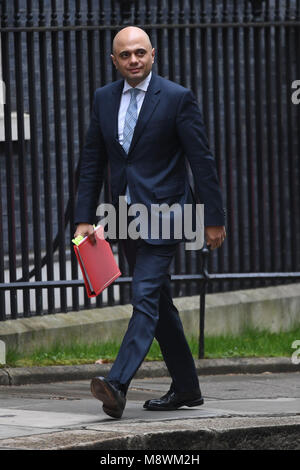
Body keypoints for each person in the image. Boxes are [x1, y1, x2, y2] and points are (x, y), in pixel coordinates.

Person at [74, 26, 226, 419]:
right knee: (158, 300)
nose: (134, 60)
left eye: (140, 52)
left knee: (142, 295)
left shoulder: (177, 98)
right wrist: (83, 219)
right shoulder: (104, 99)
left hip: (168, 215)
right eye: (125, 55)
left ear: (153, 54)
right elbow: (93, 162)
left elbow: (202, 160)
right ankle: (188, 388)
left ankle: (117, 384)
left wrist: (212, 217)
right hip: (123, 216)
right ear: (114, 60)